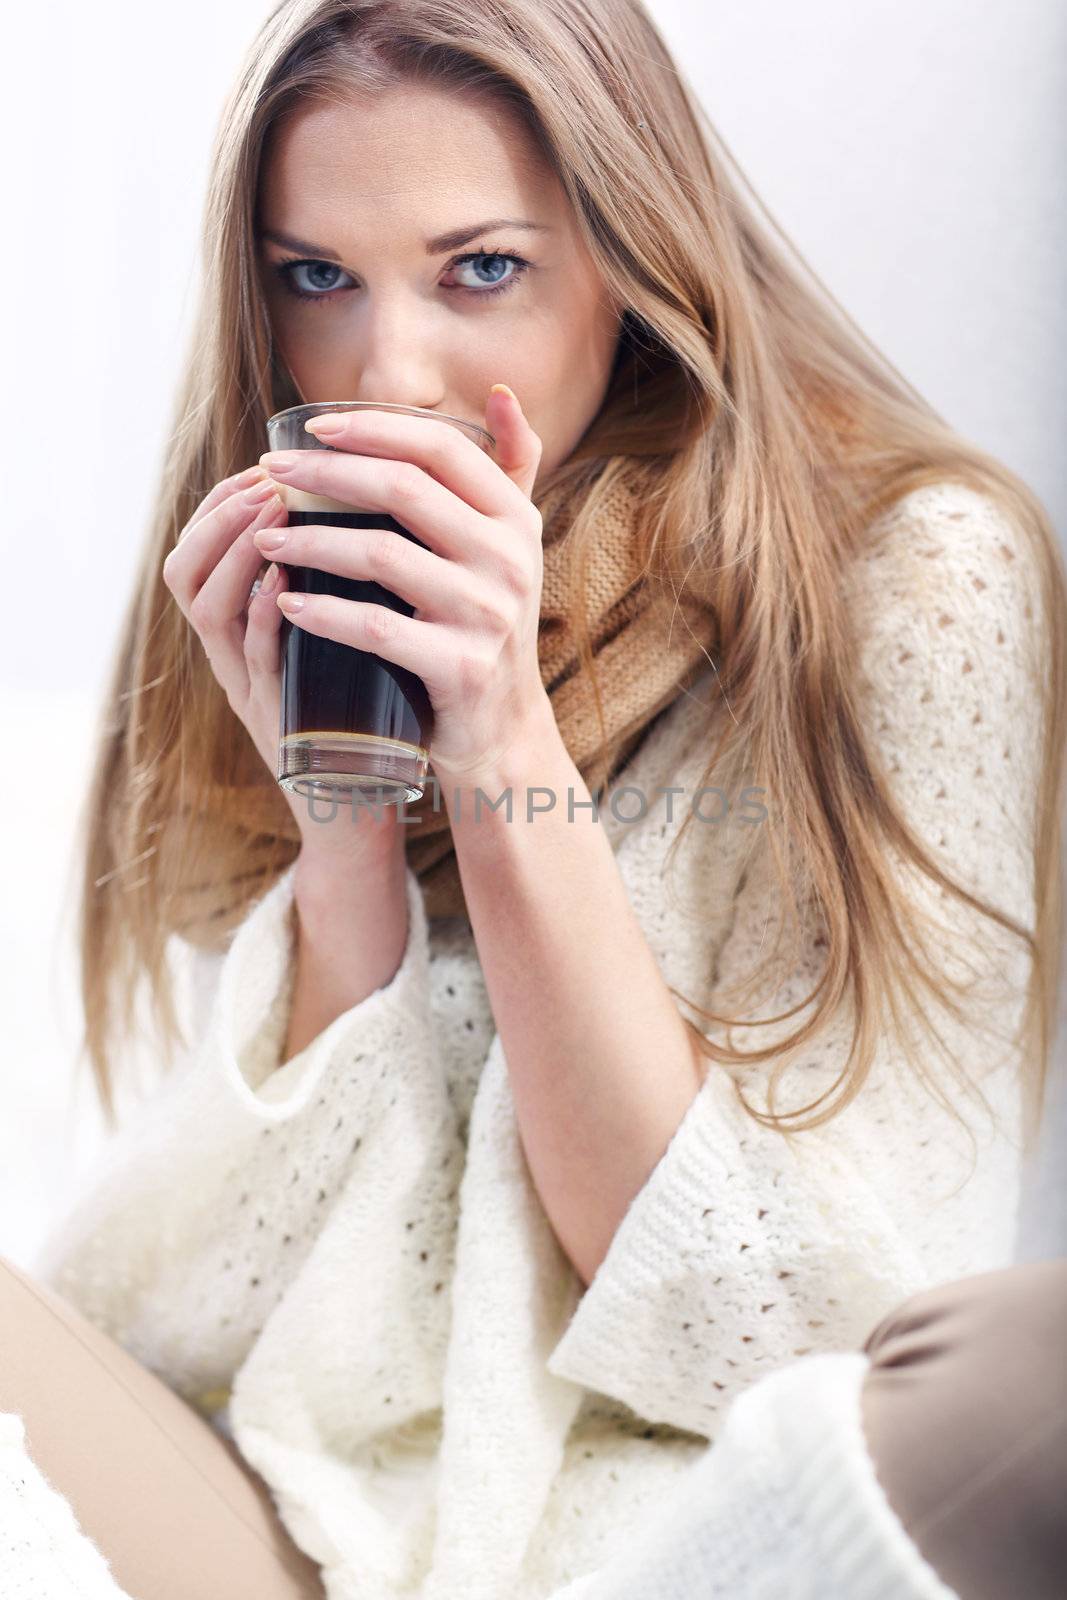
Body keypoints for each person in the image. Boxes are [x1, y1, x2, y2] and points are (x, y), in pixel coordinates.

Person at [2, 1, 1064, 1597]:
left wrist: (502, 752)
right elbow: (186, 1331)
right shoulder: (302, 599)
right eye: (316, 278)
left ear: (634, 271)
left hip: (670, 1546)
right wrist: (343, 838)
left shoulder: (915, 578)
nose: (388, 373)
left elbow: (798, 1347)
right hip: (289, 1522)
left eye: (479, 269)